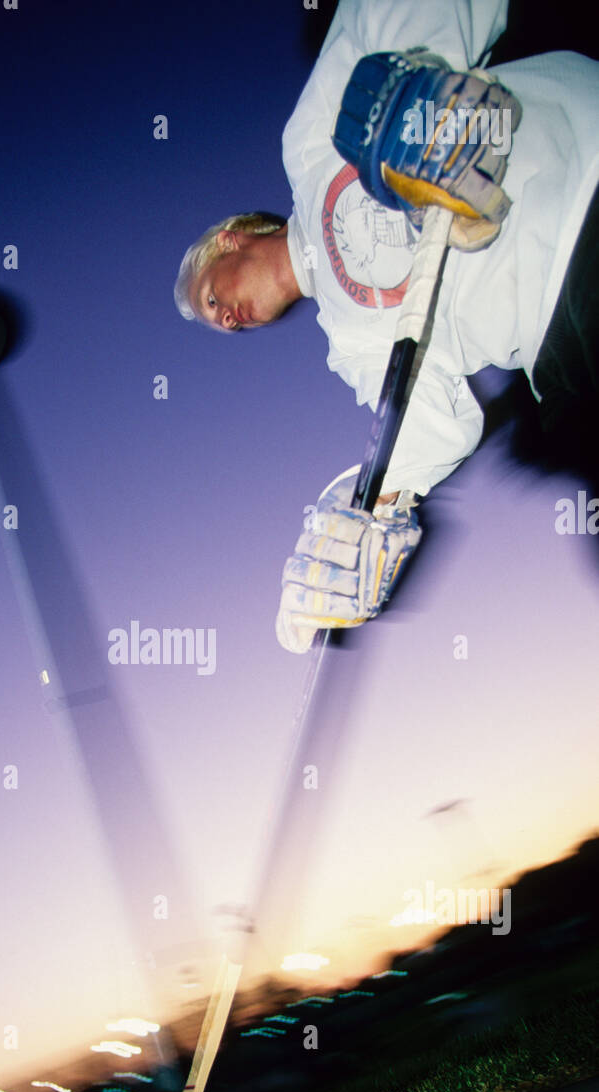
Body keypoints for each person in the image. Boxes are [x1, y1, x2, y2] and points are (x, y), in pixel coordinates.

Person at [174, 0, 599, 652]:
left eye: (211, 301)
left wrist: (422, 82)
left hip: (586, 174)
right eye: (224, 327)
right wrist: (366, 511)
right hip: (565, 345)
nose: (228, 321)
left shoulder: (308, 151)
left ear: (228, 241)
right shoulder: (351, 344)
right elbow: (427, 423)